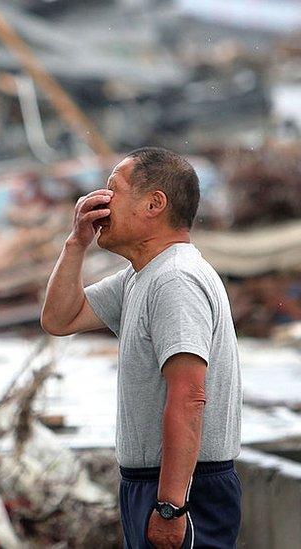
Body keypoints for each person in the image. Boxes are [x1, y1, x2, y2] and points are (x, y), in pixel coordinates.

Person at [40, 147, 242, 548]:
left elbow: (188, 396)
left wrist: (170, 506)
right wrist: (76, 243)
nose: (100, 201)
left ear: (154, 204)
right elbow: (60, 318)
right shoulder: (141, 277)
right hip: (153, 483)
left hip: (186, 488)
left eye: (113, 189)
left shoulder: (175, 280)